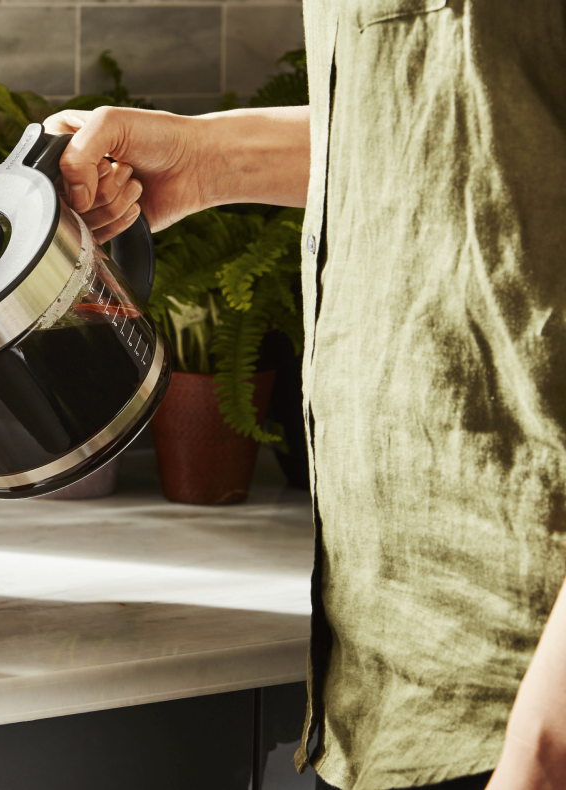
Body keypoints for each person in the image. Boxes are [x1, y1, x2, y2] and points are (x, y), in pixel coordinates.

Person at [43, 3, 566, 790]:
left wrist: (542, 751)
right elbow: (470, 120)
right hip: (388, 701)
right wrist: (213, 160)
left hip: (521, 699)